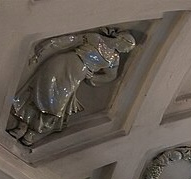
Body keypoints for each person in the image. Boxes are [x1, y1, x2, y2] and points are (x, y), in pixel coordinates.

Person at [8, 28, 138, 145]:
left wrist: (92, 78)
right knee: (40, 91)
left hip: (75, 77)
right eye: (127, 46)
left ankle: (33, 131)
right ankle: (22, 126)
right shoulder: (95, 38)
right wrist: (47, 45)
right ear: (121, 39)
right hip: (61, 63)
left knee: (56, 105)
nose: (126, 50)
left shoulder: (114, 59)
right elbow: (71, 40)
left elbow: (110, 76)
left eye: (128, 50)